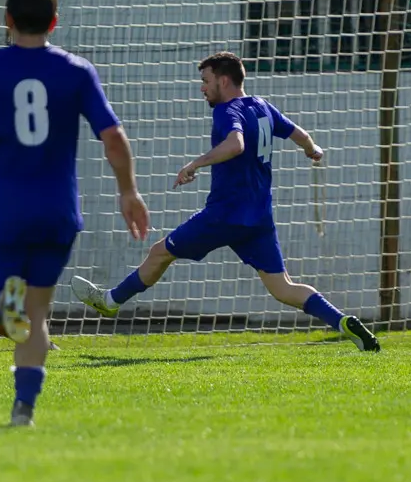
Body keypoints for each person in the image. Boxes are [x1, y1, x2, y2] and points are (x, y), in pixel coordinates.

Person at [0, 0, 149, 426]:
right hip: (57, 212)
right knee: (38, 310)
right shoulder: (75, 71)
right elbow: (112, 137)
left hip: (2, 209)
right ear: (54, 22)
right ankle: (23, 410)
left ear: (8, 20)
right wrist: (128, 191)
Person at [70, 51, 380, 353]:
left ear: (224, 80)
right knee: (283, 287)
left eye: (206, 80)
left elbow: (236, 144)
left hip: (224, 215)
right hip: (258, 218)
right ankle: (342, 322)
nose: (202, 88)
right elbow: (299, 133)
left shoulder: (227, 111)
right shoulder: (262, 107)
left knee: (159, 252)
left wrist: (195, 164)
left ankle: (110, 302)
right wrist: (313, 150)